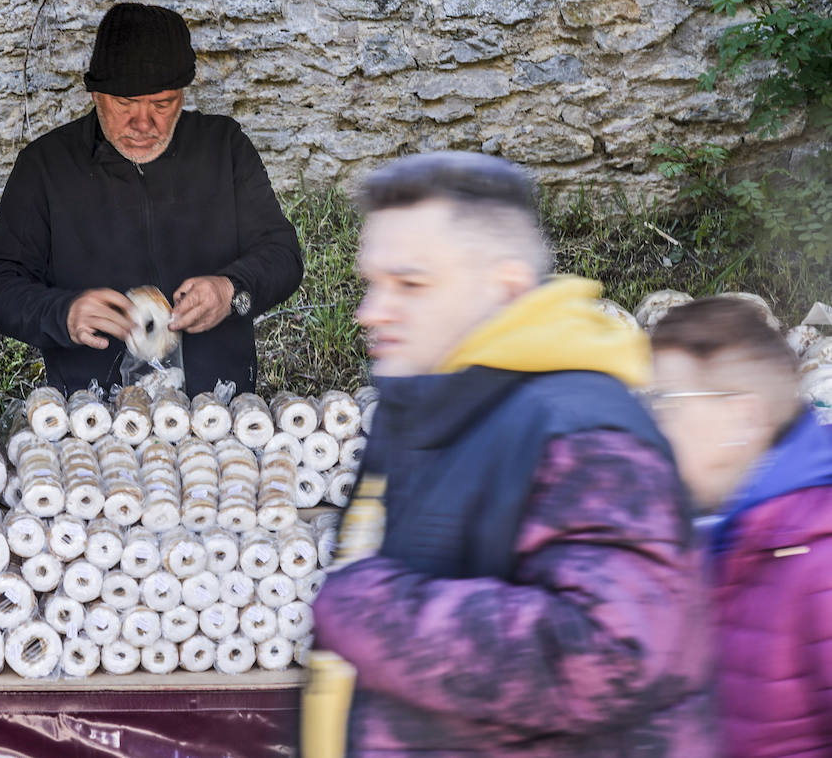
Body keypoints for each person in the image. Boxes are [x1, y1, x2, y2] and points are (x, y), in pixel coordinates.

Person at [306, 151, 713, 757]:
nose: (371, 312)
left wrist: (369, 607)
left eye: (410, 285)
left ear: (506, 285)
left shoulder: (585, 434)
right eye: (372, 283)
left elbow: (608, 657)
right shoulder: (424, 411)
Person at [0, 2, 303, 396]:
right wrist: (63, 313)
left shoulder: (224, 148)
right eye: (125, 104)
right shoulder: (46, 167)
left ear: (182, 96)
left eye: (162, 105)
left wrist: (231, 292)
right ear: (96, 95)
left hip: (219, 407)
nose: (144, 124)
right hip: (92, 411)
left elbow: (283, 255)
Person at [651, 297, 832, 758]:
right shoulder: (704, 536)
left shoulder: (819, 562)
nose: (656, 424)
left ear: (742, 416)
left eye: (669, 402)